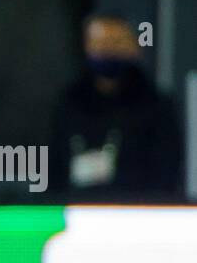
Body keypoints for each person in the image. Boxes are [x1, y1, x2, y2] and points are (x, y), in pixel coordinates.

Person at [49, 13, 184, 202]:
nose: (108, 50)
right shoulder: (68, 104)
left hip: (137, 212)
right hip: (75, 209)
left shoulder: (156, 106)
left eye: (116, 43)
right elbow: (53, 167)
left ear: (134, 47)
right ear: (86, 46)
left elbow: (167, 170)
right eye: (100, 44)